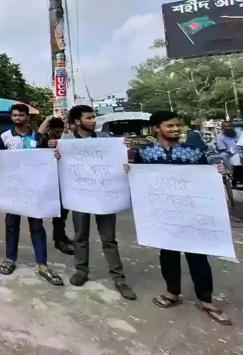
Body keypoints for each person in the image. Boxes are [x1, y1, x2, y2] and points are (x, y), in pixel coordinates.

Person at [128, 110, 232, 325]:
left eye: (178, 126)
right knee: (168, 256)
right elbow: (137, 179)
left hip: (192, 215)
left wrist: (219, 171)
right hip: (164, 216)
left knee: (199, 258)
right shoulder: (145, 153)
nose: (176, 129)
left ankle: (206, 301)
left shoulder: (194, 152)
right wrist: (129, 171)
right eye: (170, 126)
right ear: (157, 128)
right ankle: (172, 293)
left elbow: (209, 172)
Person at [57, 105, 136, 300]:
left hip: (104, 196)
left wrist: (125, 151)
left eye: (94, 117)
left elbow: (119, 162)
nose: (93, 121)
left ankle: (118, 278)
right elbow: (56, 164)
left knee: (108, 238)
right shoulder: (65, 141)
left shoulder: (106, 140)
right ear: (77, 121)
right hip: (79, 196)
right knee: (80, 236)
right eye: (89, 118)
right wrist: (55, 154)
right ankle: (81, 271)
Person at [0, 104, 64, 286]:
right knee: (11, 225)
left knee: (37, 226)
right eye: (14, 115)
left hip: (35, 190)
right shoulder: (4, 137)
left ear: (27, 117)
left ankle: (42, 265)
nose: (18, 118)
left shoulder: (39, 137)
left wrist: (54, 151)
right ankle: (10, 259)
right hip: (13, 189)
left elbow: (49, 157)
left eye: (21, 115)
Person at [41, 116, 74, 255]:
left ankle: (61, 236)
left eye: (60, 131)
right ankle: (58, 240)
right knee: (58, 213)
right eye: (55, 131)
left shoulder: (65, 142)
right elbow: (39, 134)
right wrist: (48, 118)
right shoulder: (42, 140)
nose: (58, 134)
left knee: (63, 213)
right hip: (48, 182)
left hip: (63, 180)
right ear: (49, 129)